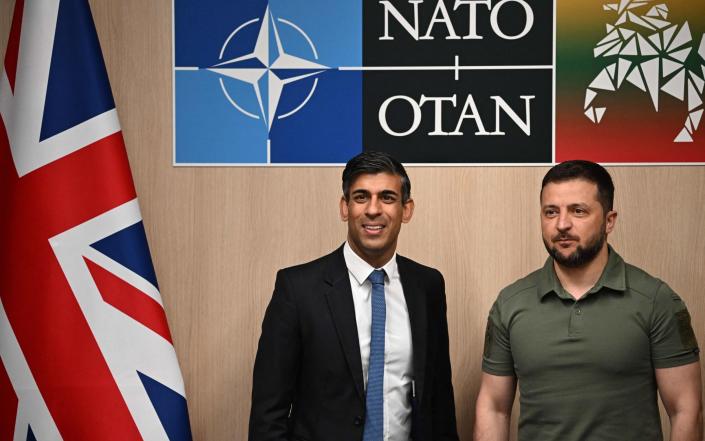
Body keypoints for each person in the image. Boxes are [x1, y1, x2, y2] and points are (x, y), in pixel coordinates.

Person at [474, 160, 703, 441]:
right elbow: (494, 409)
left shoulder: (657, 300)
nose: (562, 224)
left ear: (609, 220)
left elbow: (685, 410)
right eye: (550, 212)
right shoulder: (509, 303)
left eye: (578, 211)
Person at [249, 151, 459, 441]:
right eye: (361, 197)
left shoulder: (428, 286)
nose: (373, 209)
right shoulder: (297, 289)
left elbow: (439, 402)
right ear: (344, 208)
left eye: (387, 197)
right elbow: (267, 415)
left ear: (406, 210)